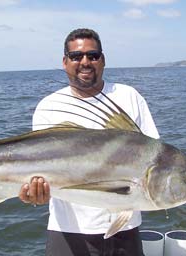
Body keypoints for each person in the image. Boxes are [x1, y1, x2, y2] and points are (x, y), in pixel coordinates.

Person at [19, 28, 159, 256]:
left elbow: (154, 157)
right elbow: (40, 169)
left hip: (125, 227)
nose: (85, 62)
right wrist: (33, 193)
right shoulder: (49, 106)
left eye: (93, 55)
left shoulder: (129, 96)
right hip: (68, 230)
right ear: (65, 62)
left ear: (103, 60)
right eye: (76, 56)